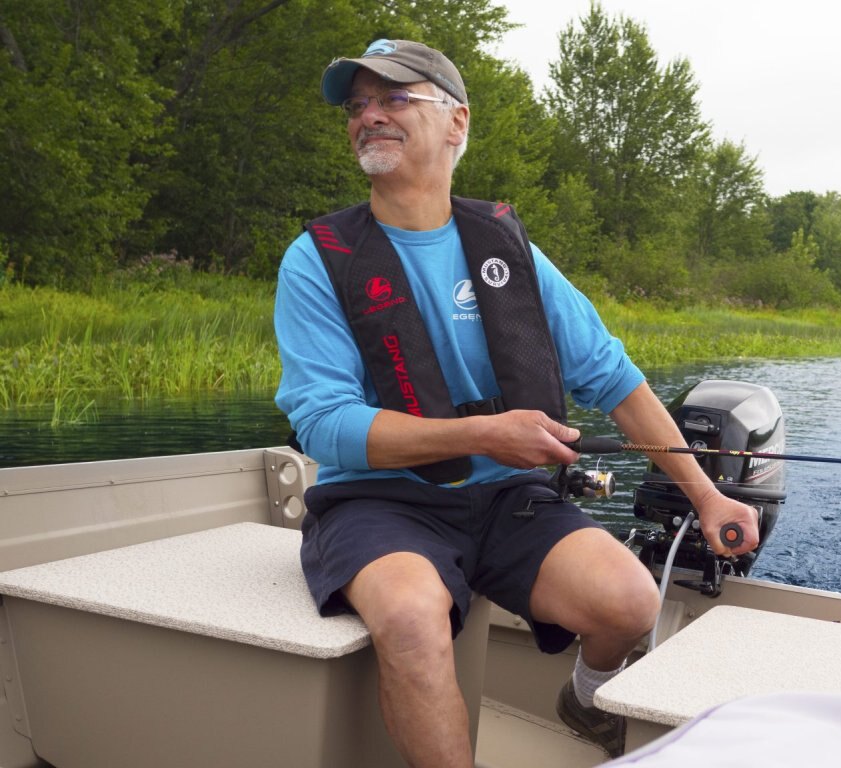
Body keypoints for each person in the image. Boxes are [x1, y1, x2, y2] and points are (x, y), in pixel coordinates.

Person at [273, 39, 759, 768]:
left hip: (507, 499)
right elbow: (323, 424)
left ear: (457, 122)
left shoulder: (507, 249)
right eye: (358, 104)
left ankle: (587, 697)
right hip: (378, 501)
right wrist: (484, 434)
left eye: (395, 98)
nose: (369, 115)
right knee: (409, 615)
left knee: (631, 600)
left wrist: (707, 494)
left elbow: (614, 379)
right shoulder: (318, 259)